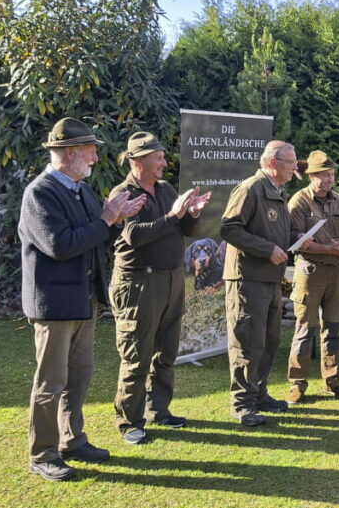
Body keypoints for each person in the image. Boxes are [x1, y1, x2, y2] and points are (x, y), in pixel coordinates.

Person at [19, 117, 145, 481]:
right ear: (70, 153)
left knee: (79, 375)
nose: (94, 157)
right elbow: (60, 246)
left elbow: (94, 236)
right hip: (55, 305)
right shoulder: (40, 193)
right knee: (51, 381)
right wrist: (107, 218)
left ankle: (72, 440)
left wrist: (117, 217)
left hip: (83, 300)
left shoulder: (80, 189)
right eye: (90, 151)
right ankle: (43, 453)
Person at [108, 131, 211, 445]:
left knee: (166, 352)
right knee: (137, 354)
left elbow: (186, 230)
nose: (165, 163)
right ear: (139, 160)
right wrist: (173, 214)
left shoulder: (165, 189)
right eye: (159, 158)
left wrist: (192, 214)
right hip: (139, 282)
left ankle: (159, 411)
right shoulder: (123, 193)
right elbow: (134, 236)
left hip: (171, 279)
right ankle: (130, 423)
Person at [220, 140, 298, 426]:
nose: (295, 167)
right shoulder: (250, 188)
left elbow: (277, 231)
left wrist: (300, 240)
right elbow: (229, 228)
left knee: (270, 339)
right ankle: (242, 404)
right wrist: (267, 250)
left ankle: (259, 393)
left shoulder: (278, 191)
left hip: (271, 279)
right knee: (247, 341)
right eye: (291, 162)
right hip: (247, 279)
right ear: (274, 162)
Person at [285, 150, 339, 404]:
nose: (329, 179)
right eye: (324, 175)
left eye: (332, 174)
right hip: (309, 271)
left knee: (334, 328)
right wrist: (329, 248)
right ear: (311, 176)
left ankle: (333, 380)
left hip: (336, 271)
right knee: (305, 329)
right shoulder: (299, 202)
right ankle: (297, 383)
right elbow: (296, 241)